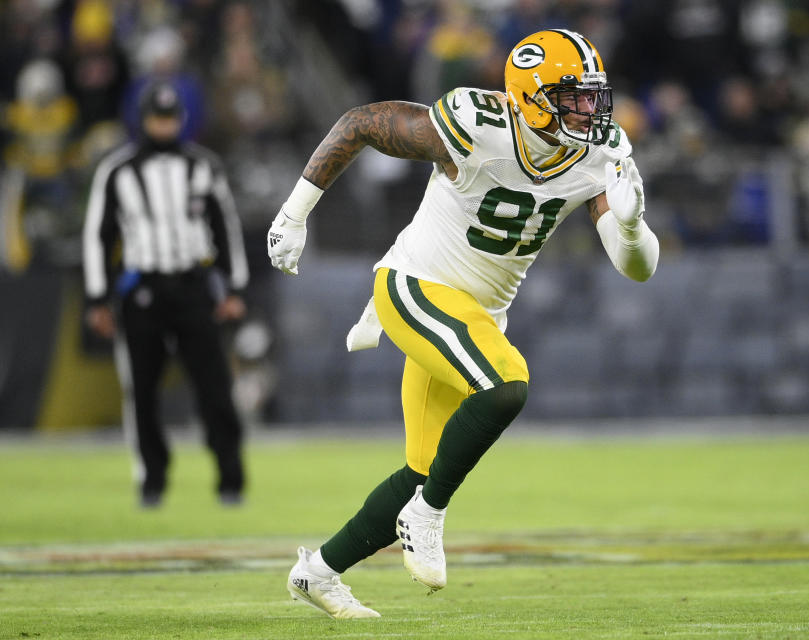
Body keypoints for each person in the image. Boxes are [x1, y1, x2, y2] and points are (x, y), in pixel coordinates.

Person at [268, 29, 659, 619]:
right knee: (506, 385)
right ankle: (428, 516)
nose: (588, 110)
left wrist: (630, 228)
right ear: (530, 97)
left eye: (591, 96)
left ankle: (316, 572)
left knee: (421, 472)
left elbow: (637, 270)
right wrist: (294, 214)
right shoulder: (476, 125)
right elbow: (359, 123)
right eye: (572, 96)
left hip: (472, 316)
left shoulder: (600, 151)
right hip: (414, 287)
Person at [82, 81, 250, 508]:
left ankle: (230, 477)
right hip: (143, 289)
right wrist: (98, 298)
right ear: (143, 119)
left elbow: (225, 227)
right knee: (141, 389)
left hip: (194, 285)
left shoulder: (203, 166)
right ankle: (151, 479)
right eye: (158, 118)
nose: (164, 126)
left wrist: (232, 287)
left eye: (171, 118)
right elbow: (98, 236)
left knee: (214, 386)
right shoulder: (117, 170)